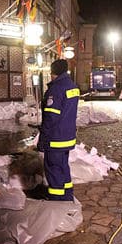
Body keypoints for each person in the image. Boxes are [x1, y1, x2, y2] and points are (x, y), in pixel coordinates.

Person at [37, 59, 79, 201]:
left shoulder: (56, 89)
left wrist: (42, 140)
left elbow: (51, 118)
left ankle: (57, 199)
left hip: (55, 138)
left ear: (54, 72)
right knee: (63, 167)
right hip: (67, 136)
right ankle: (67, 194)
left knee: (53, 169)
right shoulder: (72, 86)